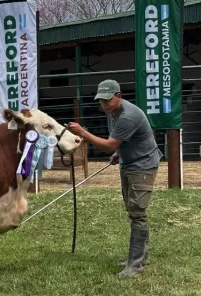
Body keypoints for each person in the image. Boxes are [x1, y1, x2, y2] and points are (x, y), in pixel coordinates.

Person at [68, 79, 162, 277]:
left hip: (143, 165)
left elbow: (109, 145)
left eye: (107, 100)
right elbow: (121, 141)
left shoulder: (128, 116)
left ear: (119, 96)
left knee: (137, 211)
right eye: (101, 100)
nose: (104, 104)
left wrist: (83, 133)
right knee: (133, 210)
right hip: (128, 162)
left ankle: (135, 265)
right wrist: (119, 152)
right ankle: (140, 257)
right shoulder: (113, 112)